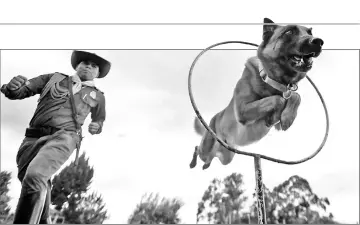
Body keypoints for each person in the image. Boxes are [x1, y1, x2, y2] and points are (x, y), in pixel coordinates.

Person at [1, 50, 111, 224]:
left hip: (64, 138)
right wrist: (12, 87)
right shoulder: (53, 78)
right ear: (77, 66)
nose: (88, 67)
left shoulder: (98, 96)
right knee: (30, 180)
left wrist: (96, 126)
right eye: (85, 63)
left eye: (94, 66)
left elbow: (99, 120)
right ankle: (44, 221)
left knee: (35, 175)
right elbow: (22, 91)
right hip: (32, 138)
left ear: (98, 73)